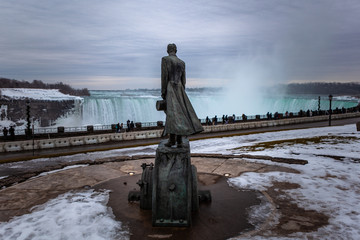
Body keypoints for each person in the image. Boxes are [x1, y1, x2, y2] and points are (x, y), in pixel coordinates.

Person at [161, 43, 203, 147]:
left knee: (172, 115)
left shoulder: (165, 59)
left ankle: (171, 140)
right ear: (176, 50)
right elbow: (183, 80)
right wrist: (182, 91)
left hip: (171, 87)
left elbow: (164, 77)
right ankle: (179, 140)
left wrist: (163, 91)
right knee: (180, 114)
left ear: (168, 50)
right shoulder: (182, 62)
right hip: (180, 89)